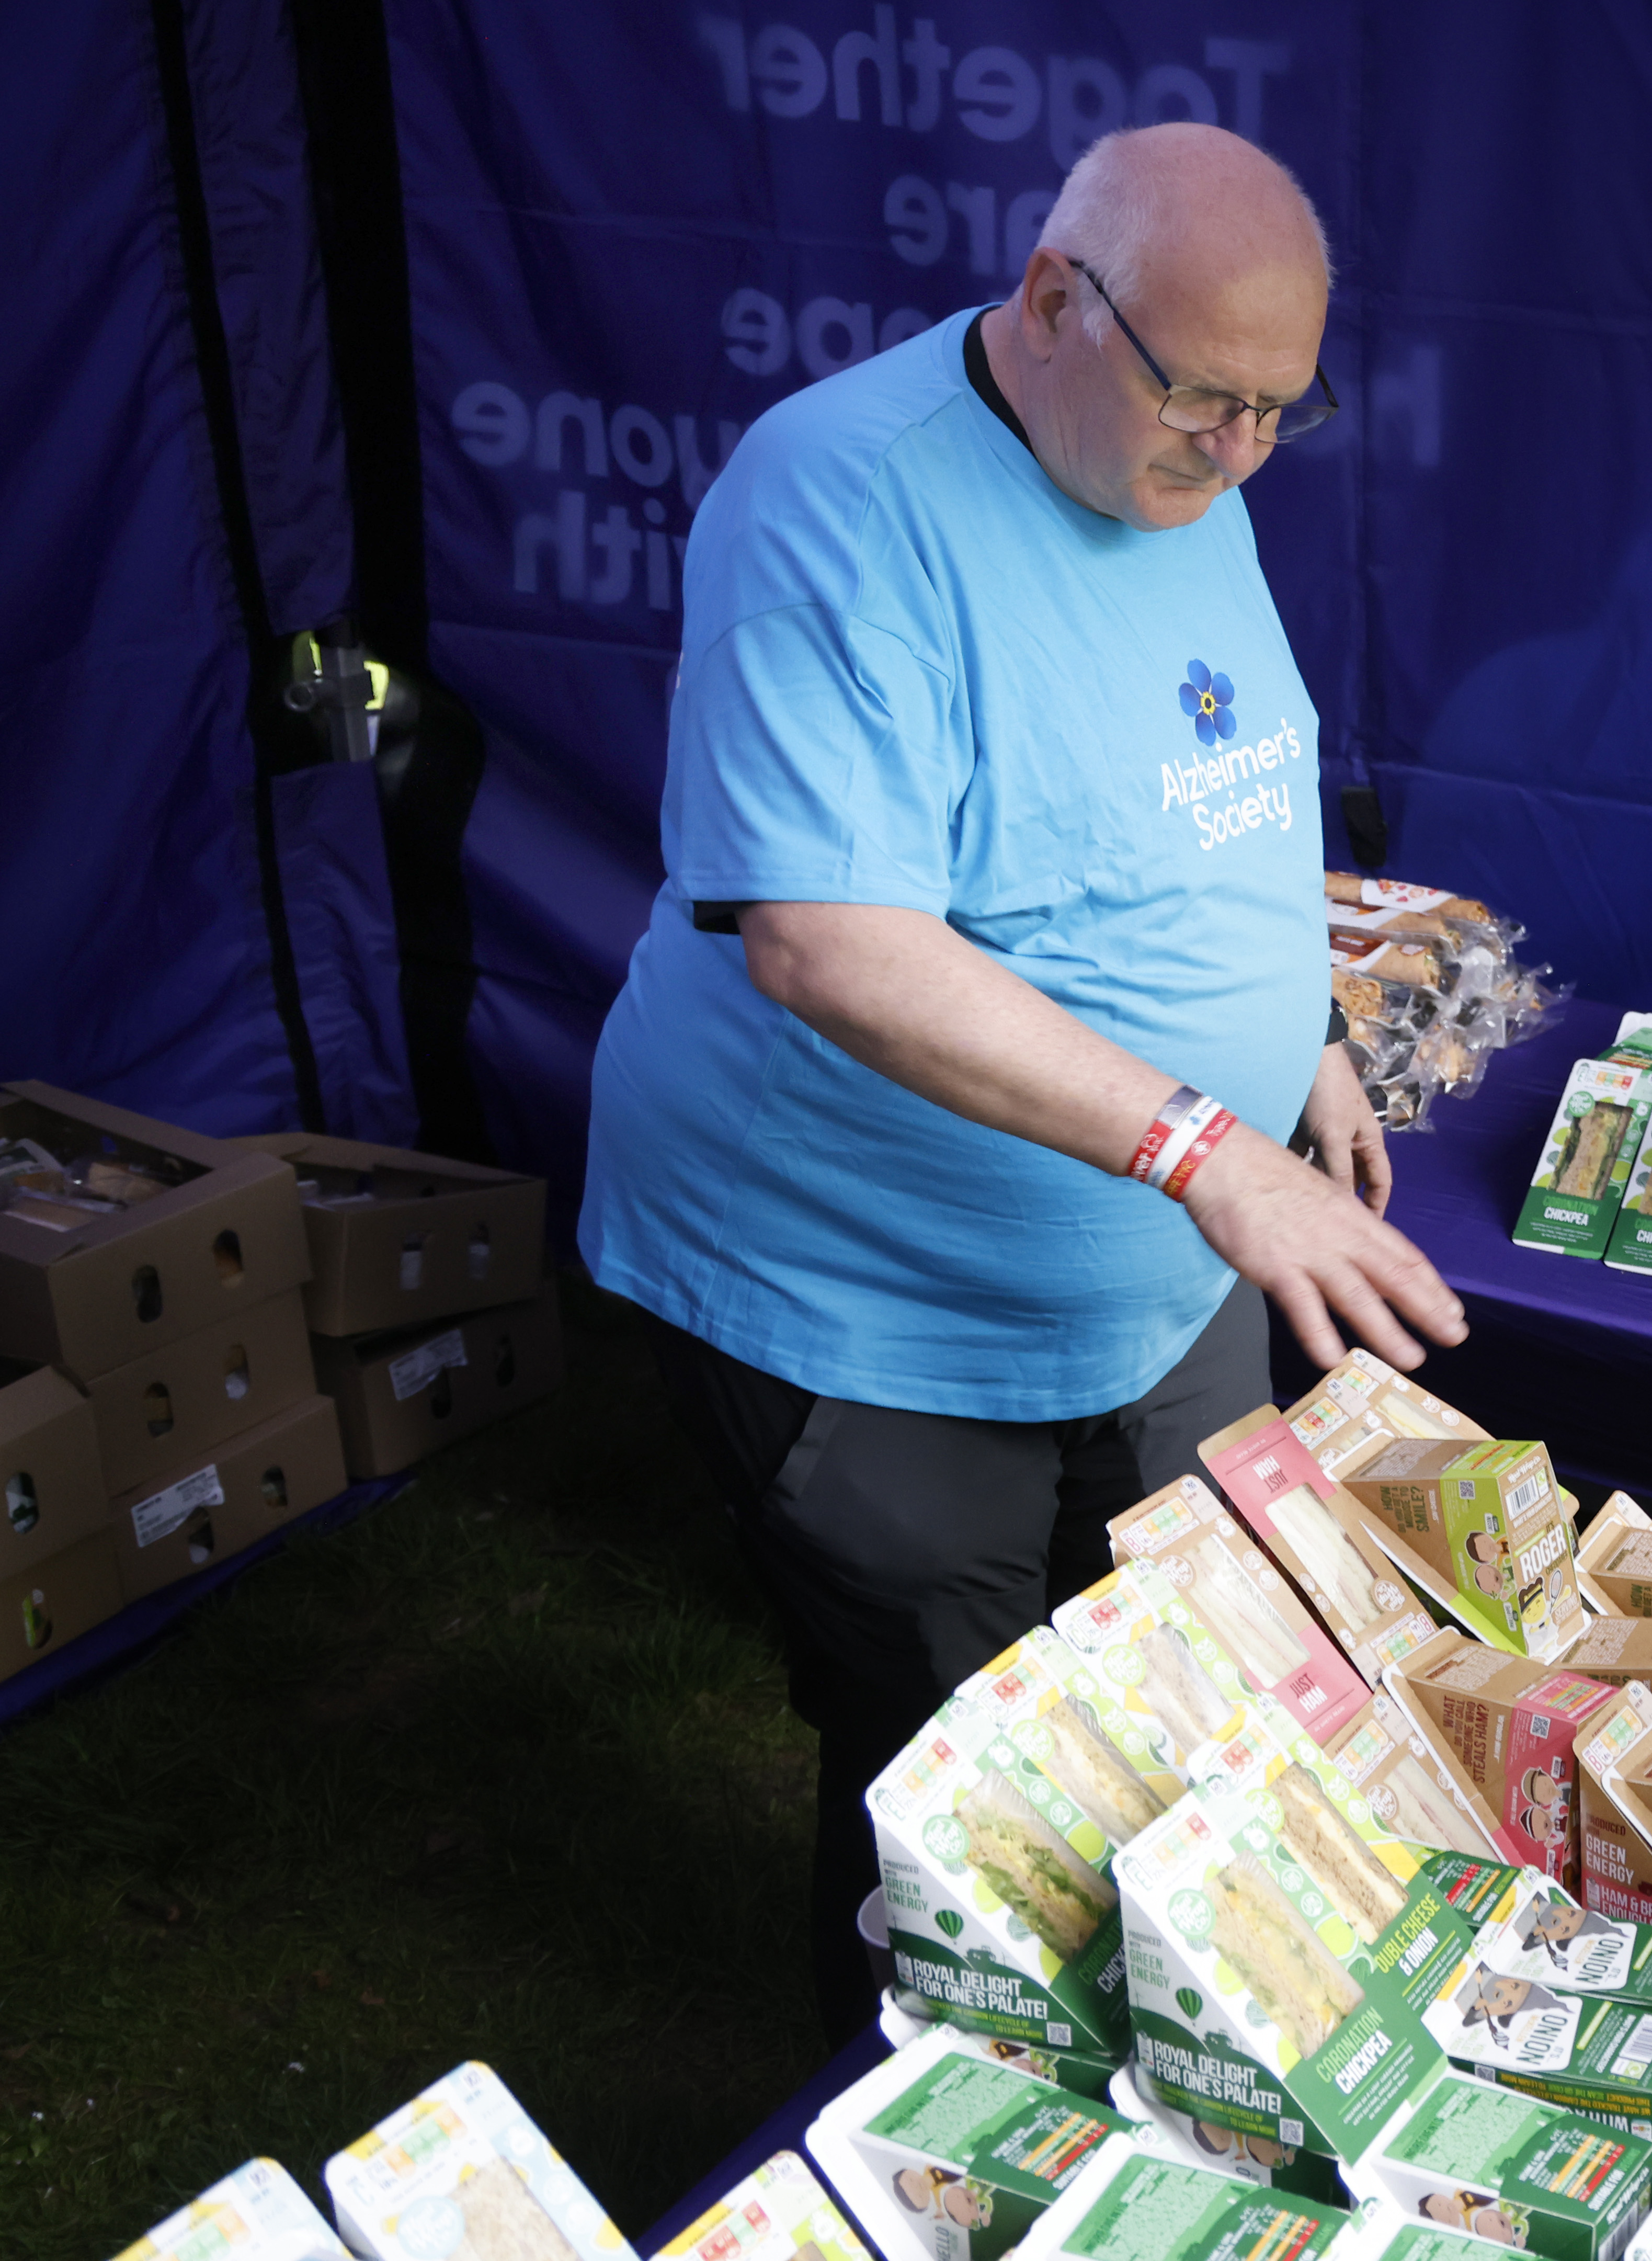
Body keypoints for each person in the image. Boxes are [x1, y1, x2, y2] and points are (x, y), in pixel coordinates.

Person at [580, 122, 1466, 2042]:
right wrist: (1203, 1144)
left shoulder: (1168, 459)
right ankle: (924, 2133)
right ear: (1058, 296)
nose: (1239, 458)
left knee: (1181, 1685)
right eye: (1208, 404)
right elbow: (831, 941)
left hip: (1156, 1269)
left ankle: (1164, 2079)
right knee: (960, 1765)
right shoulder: (836, 503)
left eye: (1275, 418)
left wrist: (1298, 1030)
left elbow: (1212, 794)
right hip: (872, 1292)